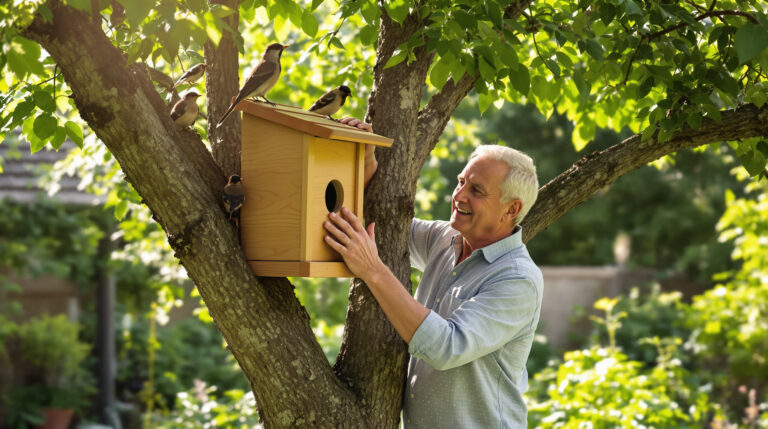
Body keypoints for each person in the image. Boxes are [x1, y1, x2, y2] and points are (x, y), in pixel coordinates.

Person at [325, 118, 543, 428]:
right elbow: (383, 221)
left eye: (477, 190)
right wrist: (367, 158)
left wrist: (373, 270)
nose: (459, 195)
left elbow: (446, 347)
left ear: (511, 210)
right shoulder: (445, 239)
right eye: (461, 182)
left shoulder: (517, 279)